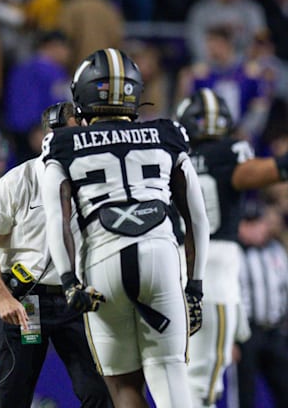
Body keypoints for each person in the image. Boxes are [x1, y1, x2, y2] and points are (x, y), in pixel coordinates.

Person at [39, 48, 210, 408]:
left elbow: (58, 218)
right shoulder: (166, 133)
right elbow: (196, 215)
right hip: (160, 254)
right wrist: (194, 286)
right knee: (170, 375)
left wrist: (69, 282)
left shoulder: (62, 142)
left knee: (124, 389)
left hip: (102, 263)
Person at [0, 102, 112, 407]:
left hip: (78, 299)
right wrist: (2, 296)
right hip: (27, 301)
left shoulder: (99, 179)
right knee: (12, 397)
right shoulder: (18, 180)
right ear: (44, 136)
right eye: (59, 132)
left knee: (101, 392)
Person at [173, 87, 288, 407]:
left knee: (179, 375)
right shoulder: (230, 151)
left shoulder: (168, 155)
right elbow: (257, 173)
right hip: (214, 274)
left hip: (175, 267)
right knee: (203, 382)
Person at [236, 202, 288, 408]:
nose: (253, 229)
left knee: (284, 386)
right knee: (245, 393)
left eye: (256, 223)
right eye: (247, 224)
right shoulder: (234, 254)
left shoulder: (276, 250)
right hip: (247, 333)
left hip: (275, 332)